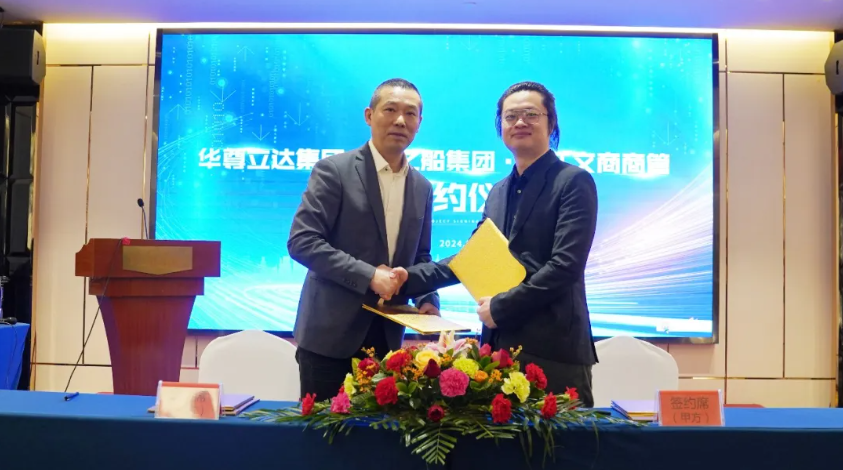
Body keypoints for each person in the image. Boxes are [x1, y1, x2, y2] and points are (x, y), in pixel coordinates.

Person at [394, 81, 599, 407]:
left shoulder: (573, 181)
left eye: (531, 114)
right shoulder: (498, 192)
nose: (520, 122)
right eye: (510, 116)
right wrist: (409, 279)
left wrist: (500, 307)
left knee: (560, 441)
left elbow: (565, 266)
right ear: (500, 126)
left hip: (554, 351)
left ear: (551, 123)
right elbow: (471, 260)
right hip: (499, 350)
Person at [287, 78, 440, 401]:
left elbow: (421, 257)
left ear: (419, 123)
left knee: (378, 433)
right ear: (369, 115)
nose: (400, 121)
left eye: (410, 113)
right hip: (329, 339)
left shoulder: (422, 187)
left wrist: (428, 300)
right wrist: (370, 275)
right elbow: (302, 241)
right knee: (325, 432)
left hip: (387, 342)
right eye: (391, 110)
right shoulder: (334, 171)